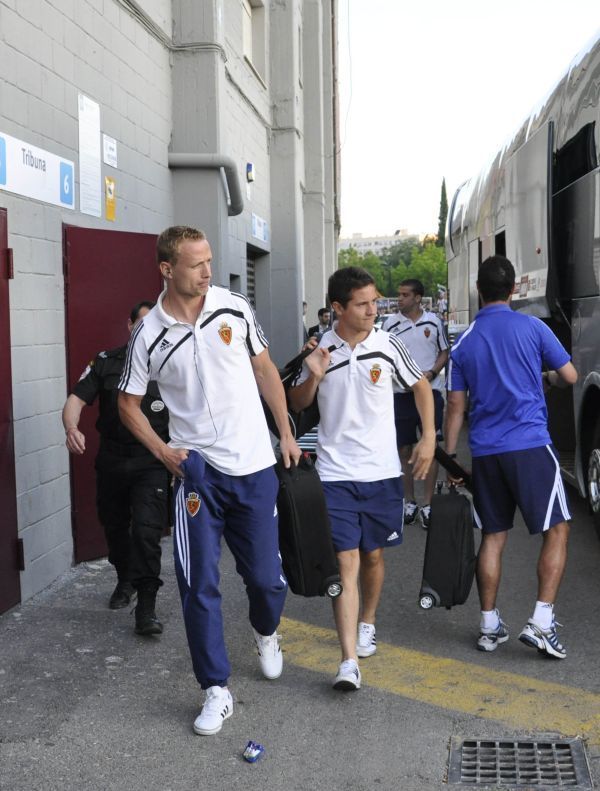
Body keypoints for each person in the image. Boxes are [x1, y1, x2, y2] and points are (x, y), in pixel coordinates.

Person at [117, 225, 301, 735]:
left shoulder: (233, 307)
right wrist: (163, 452)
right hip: (197, 474)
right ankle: (215, 689)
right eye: (196, 264)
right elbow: (127, 404)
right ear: (166, 269)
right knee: (198, 584)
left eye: (209, 261)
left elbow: (265, 369)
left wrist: (285, 432)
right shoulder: (147, 334)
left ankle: (266, 631)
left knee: (266, 579)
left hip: (254, 463)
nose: (206, 271)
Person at [289, 266, 435, 690]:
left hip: (382, 473)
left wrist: (428, 439)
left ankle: (367, 620)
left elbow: (421, 386)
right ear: (338, 307)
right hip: (334, 474)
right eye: (364, 303)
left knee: (373, 557)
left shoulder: (387, 345)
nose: (374, 309)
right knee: (345, 561)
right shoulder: (319, 349)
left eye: (376, 301)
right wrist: (313, 372)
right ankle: (348, 660)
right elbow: (298, 402)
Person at [444, 255, 577, 659]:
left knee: (493, 537)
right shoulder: (532, 326)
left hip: (486, 452)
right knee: (557, 529)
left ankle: (488, 626)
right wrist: (547, 377)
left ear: (478, 291)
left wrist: (449, 460)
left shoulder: (465, 342)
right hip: (531, 446)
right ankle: (541, 620)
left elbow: (454, 406)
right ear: (514, 289)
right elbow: (569, 376)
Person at [62, 301, 170, 636]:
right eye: (141, 323)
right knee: (115, 528)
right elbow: (75, 400)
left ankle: (147, 607)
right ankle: (125, 579)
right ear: (129, 326)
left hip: (151, 461)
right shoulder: (107, 362)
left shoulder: (170, 365)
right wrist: (71, 428)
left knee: (147, 531)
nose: (146, 329)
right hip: (112, 460)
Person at [383, 279, 449, 529]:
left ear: (418, 298)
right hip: (401, 394)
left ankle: (428, 503)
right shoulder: (390, 324)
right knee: (405, 450)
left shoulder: (434, 322)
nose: (399, 299)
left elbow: (444, 351)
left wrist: (432, 373)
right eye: (399, 294)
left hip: (430, 392)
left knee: (430, 447)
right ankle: (409, 501)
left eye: (405, 295)